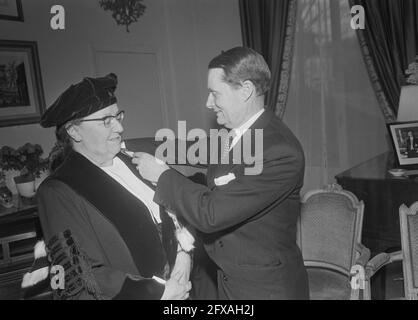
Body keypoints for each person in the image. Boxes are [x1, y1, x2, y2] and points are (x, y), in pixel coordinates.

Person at [129, 47, 309, 299]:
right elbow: (184, 148)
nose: (208, 103)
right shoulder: (236, 135)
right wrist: (122, 143)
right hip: (229, 281)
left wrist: (161, 175)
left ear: (245, 91)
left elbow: (211, 213)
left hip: (266, 290)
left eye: (215, 93)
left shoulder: (279, 150)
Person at [30, 73, 193, 300]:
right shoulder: (58, 191)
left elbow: (177, 213)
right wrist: (159, 293)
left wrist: (184, 256)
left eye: (118, 116)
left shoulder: (136, 161)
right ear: (74, 131)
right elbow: (76, 271)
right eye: (106, 120)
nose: (119, 127)